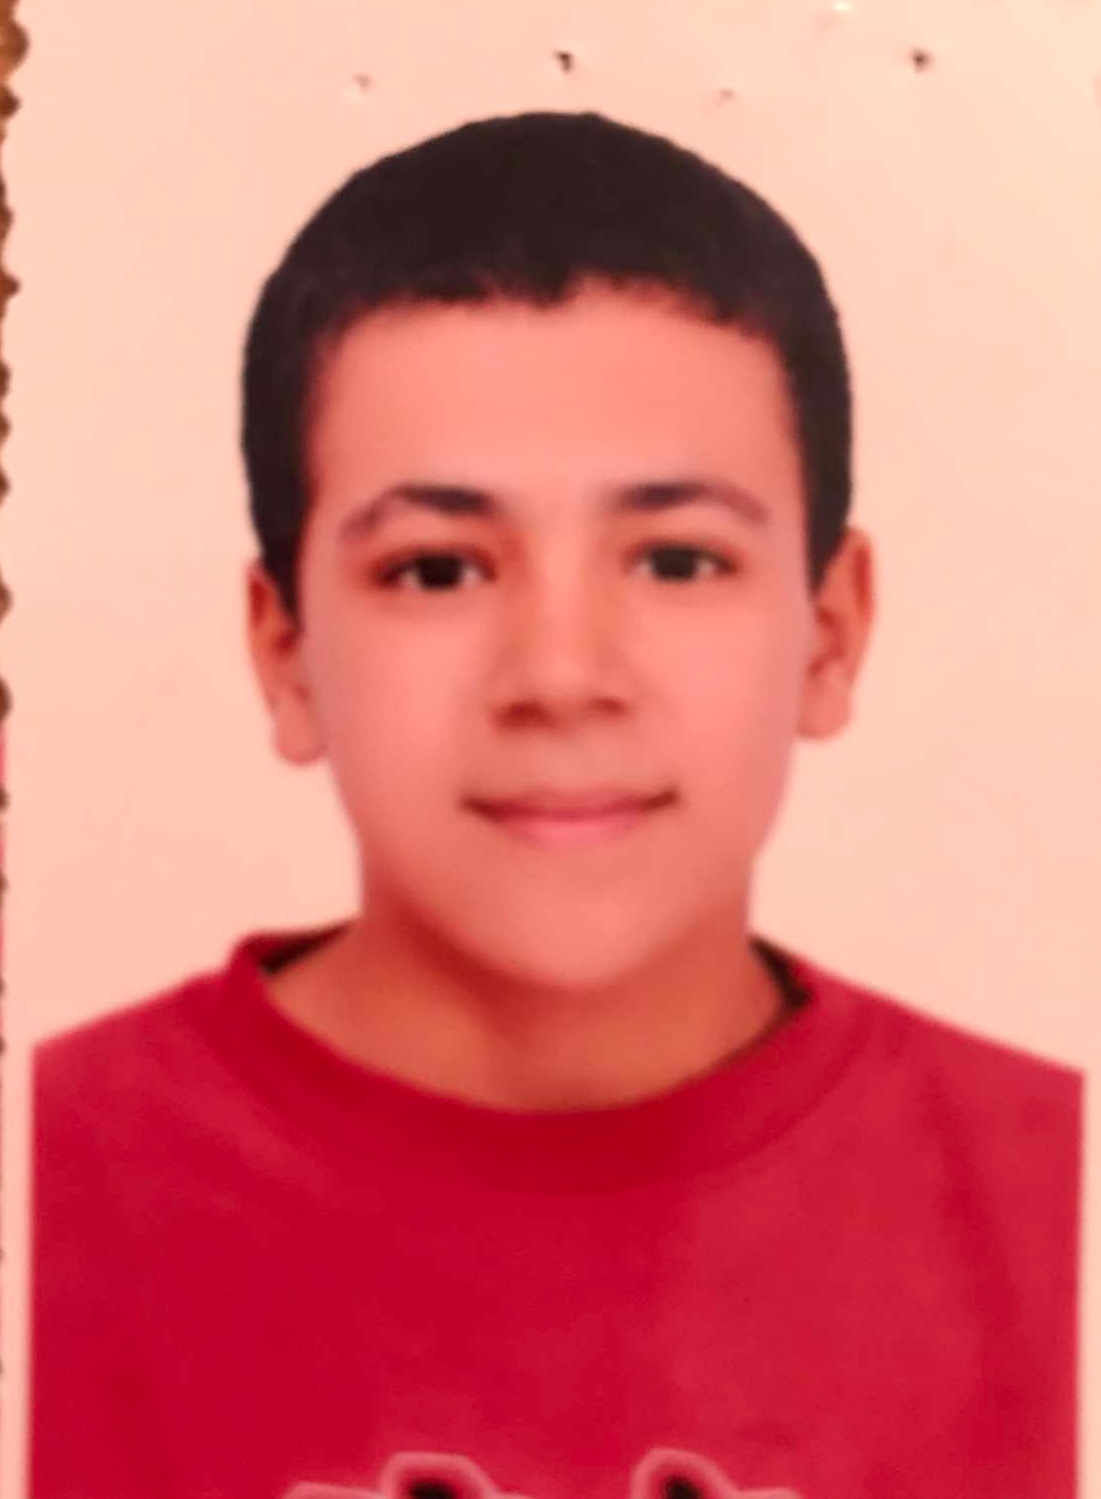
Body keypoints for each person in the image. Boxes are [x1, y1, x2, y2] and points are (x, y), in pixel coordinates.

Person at [32, 111, 1081, 1499]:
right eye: (436, 570)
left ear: (829, 637)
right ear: (284, 650)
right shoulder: (47, 1183)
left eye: (677, 561)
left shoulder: (1060, 1204)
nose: (562, 677)